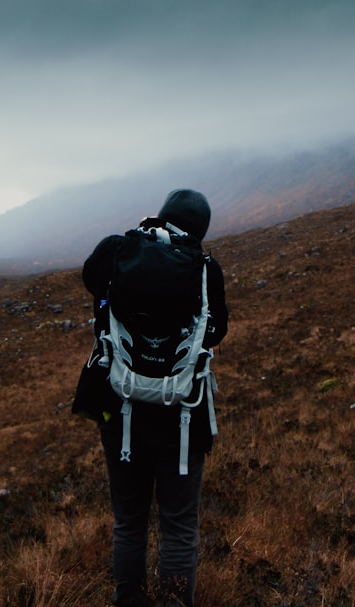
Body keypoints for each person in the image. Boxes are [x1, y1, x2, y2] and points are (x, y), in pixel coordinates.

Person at [81, 189, 229, 607]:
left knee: (128, 523)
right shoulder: (205, 268)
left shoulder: (115, 250)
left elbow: (91, 281)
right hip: (181, 417)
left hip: (120, 410)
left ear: (161, 214)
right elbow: (216, 331)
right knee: (179, 526)